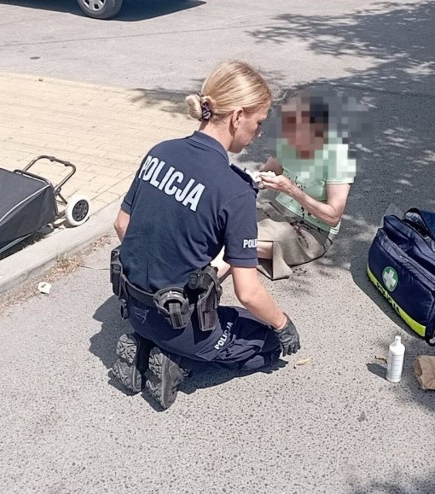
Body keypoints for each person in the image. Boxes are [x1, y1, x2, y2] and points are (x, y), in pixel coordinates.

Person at [110, 60, 301, 410]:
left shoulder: (160, 151)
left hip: (135, 306)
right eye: (258, 123)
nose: (258, 133)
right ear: (237, 116)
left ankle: (143, 345)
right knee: (267, 343)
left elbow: (122, 225)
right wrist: (283, 323)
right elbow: (248, 292)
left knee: (180, 315)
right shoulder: (234, 189)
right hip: (181, 325)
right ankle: (176, 362)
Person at [215, 89, 357, 280]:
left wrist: (290, 189)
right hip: (276, 210)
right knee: (221, 223)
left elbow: (333, 217)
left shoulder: (339, 157)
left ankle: (201, 288)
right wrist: (247, 178)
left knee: (239, 240)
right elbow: (267, 173)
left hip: (312, 230)